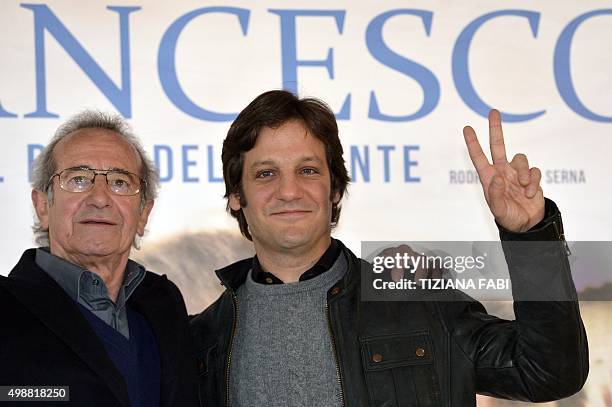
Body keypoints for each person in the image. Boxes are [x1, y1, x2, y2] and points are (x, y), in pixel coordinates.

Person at [190, 89, 588, 406]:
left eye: (308, 170)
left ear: (335, 188)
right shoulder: (201, 339)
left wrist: (530, 235)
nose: (289, 190)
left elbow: (549, 371)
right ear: (236, 196)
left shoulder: (416, 300)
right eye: (266, 173)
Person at [0, 112, 197, 406]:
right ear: (43, 206)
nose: (100, 197)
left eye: (120, 182)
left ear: (143, 213)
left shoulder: (165, 305)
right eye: (78, 179)